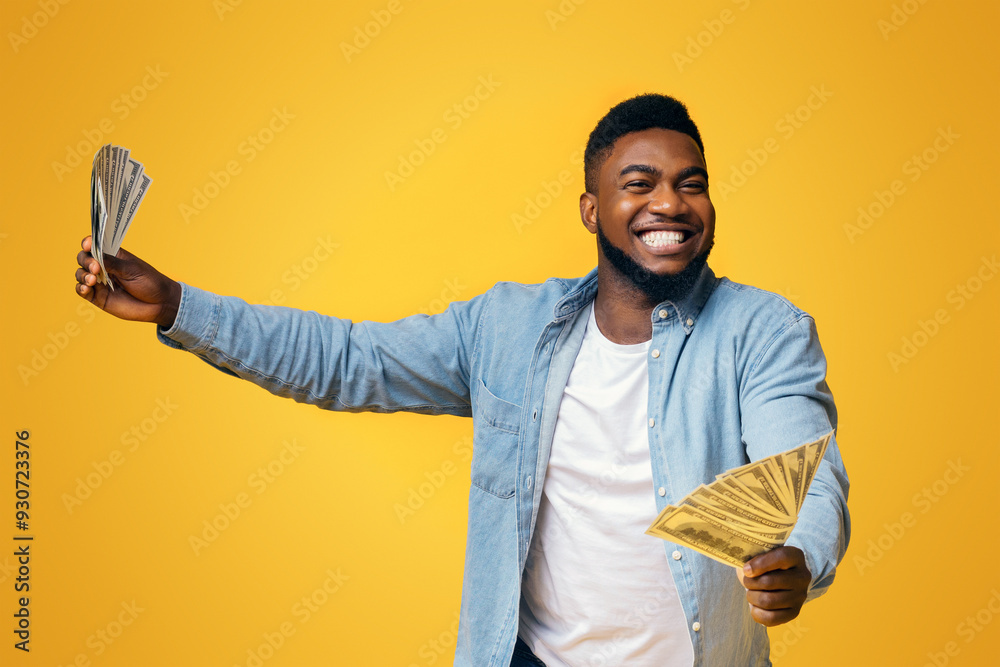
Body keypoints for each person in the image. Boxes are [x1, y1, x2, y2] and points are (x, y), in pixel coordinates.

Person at [75, 94, 850, 666]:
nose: (669, 205)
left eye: (692, 183)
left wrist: (801, 560)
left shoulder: (764, 330)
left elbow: (809, 480)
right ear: (591, 208)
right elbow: (349, 359)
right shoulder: (508, 328)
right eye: (639, 182)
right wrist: (181, 305)